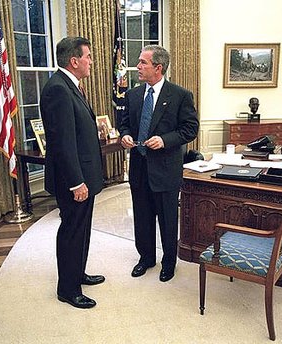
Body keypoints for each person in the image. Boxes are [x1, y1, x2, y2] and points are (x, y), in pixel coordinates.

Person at [120, 45, 199, 282]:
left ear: (158, 67)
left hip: (165, 169)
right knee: (142, 218)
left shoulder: (180, 95)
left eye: (143, 62)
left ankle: (168, 262)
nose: (138, 66)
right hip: (139, 168)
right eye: (139, 61)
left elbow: (190, 129)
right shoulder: (132, 95)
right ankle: (145, 258)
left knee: (167, 219)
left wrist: (164, 140)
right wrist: (124, 136)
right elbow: (125, 124)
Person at [40, 37, 104, 309]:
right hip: (73, 180)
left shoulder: (71, 85)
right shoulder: (58, 89)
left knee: (82, 230)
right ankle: (68, 289)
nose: (91, 61)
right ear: (74, 61)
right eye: (88, 56)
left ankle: (77, 273)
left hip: (84, 175)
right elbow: (63, 143)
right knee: (71, 231)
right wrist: (77, 182)